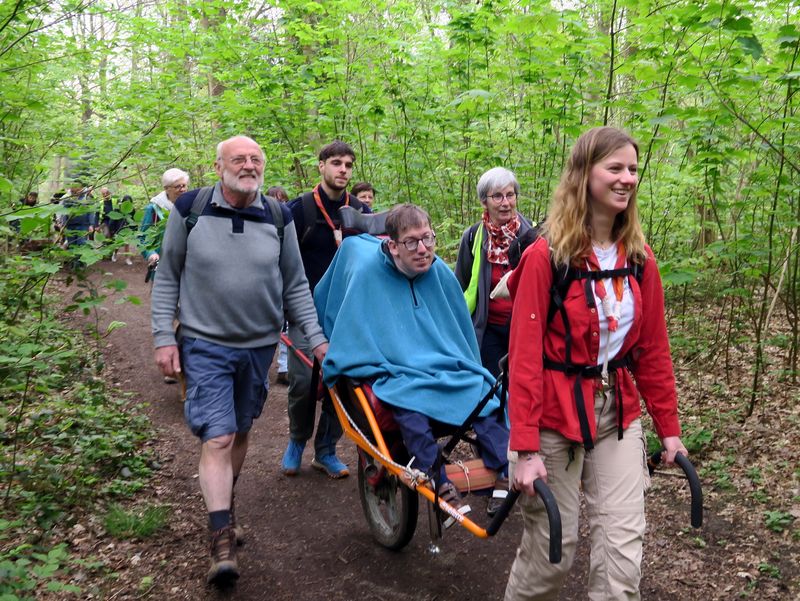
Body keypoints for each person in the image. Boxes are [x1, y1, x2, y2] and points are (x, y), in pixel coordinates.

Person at [504, 126, 687, 600]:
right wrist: (524, 450)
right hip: (552, 418)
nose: (627, 178)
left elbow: (652, 351)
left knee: (622, 558)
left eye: (632, 169)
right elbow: (524, 359)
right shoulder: (548, 257)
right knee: (551, 556)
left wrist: (669, 428)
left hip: (616, 416)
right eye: (615, 168)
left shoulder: (640, 260)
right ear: (584, 175)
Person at [150, 135, 327, 586]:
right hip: (203, 342)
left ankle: (224, 508)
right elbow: (168, 275)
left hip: (259, 346)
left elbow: (295, 284)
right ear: (218, 166)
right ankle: (221, 539)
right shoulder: (190, 209)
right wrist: (162, 339)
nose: (248, 166)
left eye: (255, 159)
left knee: (242, 429)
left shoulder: (277, 214)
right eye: (239, 159)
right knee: (220, 436)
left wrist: (317, 339)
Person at [315, 204, 510, 519]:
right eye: (411, 242)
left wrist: (460, 363)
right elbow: (354, 337)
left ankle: (503, 468)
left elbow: (458, 331)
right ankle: (437, 477)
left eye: (428, 239)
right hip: (398, 369)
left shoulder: (439, 272)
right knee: (407, 399)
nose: (423, 249)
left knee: (480, 390)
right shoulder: (368, 275)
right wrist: (382, 363)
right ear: (393, 246)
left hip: (443, 364)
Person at [281, 140, 370, 479]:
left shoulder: (361, 213)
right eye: (336, 163)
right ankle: (296, 442)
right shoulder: (299, 209)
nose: (343, 170)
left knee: (343, 383)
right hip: (305, 311)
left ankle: (326, 450)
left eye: (348, 164)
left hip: (348, 314)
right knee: (303, 382)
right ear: (321, 166)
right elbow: (280, 260)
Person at [455, 167, 535, 378]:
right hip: (488, 328)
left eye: (510, 195)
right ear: (484, 202)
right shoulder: (473, 237)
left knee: (523, 385)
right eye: (497, 196)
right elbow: (460, 284)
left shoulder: (533, 235)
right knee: (495, 387)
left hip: (525, 329)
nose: (505, 202)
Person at [138, 168, 190, 269]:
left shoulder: (193, 205)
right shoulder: (154, 208)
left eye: (184, 185)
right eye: (177, 186)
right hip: (163, 265)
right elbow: (142, 237)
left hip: (188, 266)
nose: (182, 189)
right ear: (166, 188)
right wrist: (151, 254)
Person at [267, 185, 290, 385]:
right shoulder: (259, 222)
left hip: (285, 282)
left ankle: (284, 367)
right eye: (274, 199)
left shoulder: (290, 223)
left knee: (286, 326)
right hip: (265, 286)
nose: (279, 203)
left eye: (282, 200)